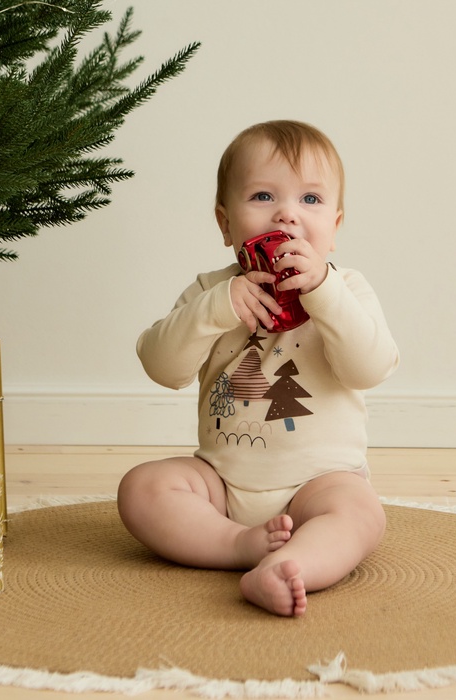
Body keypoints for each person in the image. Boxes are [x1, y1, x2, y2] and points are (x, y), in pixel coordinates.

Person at [117, 120, 399, 617]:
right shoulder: (210, 292)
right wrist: (216, 309)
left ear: (334, 228)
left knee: (361, 513)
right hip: (221, 483)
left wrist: (324, 294)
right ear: (226, 224)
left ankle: (289, 565)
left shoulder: (346, 290)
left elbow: (369, 368)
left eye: (310, 199)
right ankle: (235, 544)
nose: (287, 213)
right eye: (263, 196)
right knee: (141, 488)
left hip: (320, 482)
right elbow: (162, 367)